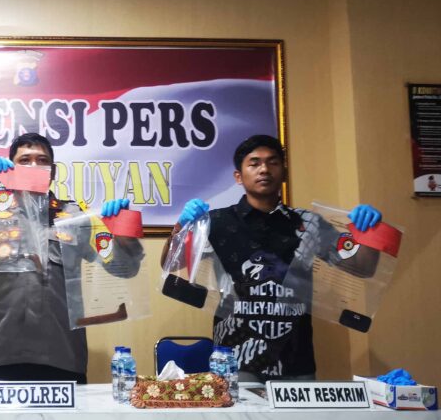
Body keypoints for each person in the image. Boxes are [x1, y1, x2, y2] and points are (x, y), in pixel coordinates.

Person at [0, 133, 143, 384]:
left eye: (42, 160)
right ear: (11, 169)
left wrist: (123, 233)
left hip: (63, 354)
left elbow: (125, 268)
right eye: (24, 160)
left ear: (53, 171)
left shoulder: (75, 216)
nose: (34, 166)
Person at [160, 135, 382, 382]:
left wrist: (370, 233)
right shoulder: (216, 222)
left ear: (283, 172)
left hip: (295, 361)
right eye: (254, 163)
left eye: (272, 162)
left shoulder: (309, 223)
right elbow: (171, 263)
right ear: (238, 176)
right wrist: (180, 226)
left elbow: (363, 268)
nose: (264, 169)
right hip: (233, 359)